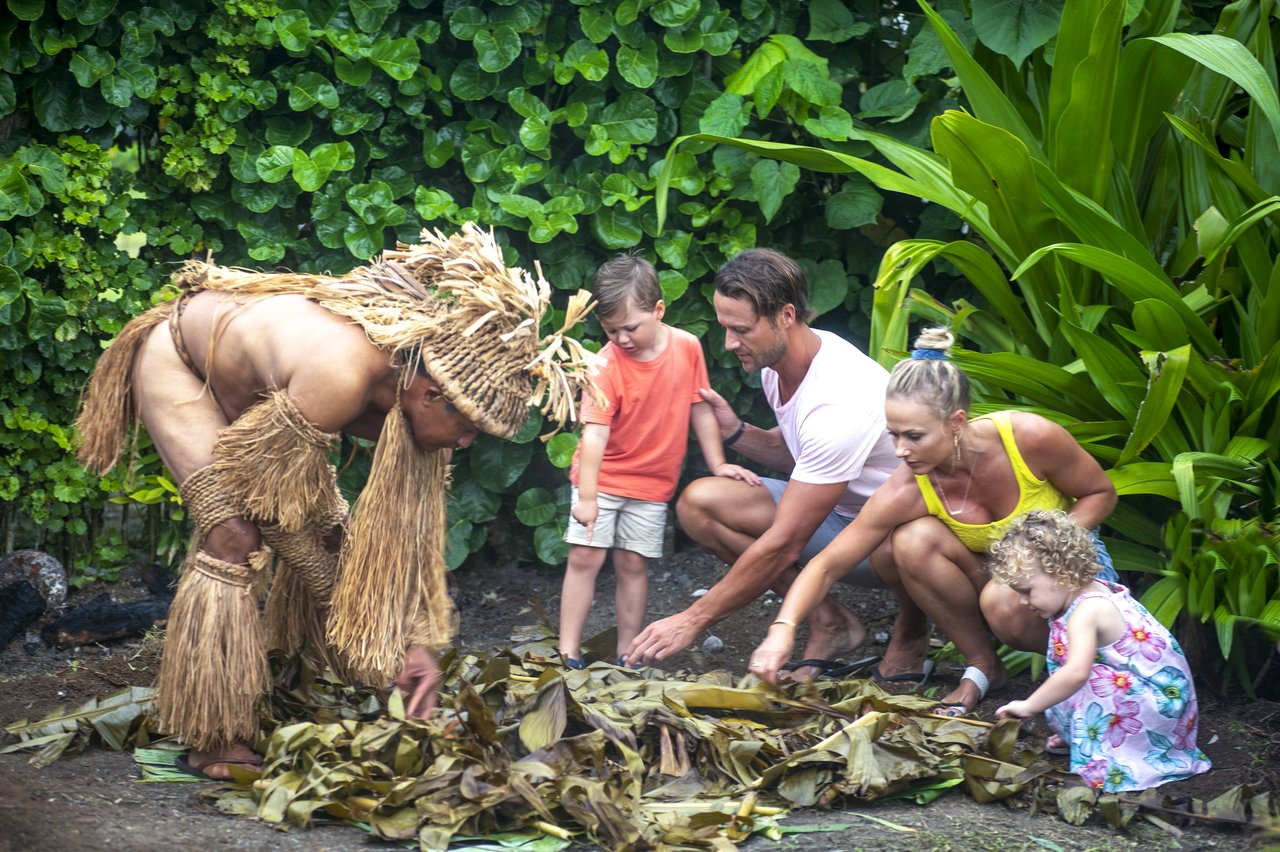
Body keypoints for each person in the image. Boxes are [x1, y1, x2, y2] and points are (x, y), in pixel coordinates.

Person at [74, 224, 594, 779]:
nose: (465, 445)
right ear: (433, 395)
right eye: (466, 429)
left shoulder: (422, 388)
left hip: (265, 402)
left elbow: (408, 535)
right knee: (235, 534)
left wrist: (413, 641)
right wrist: (357, 619)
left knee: (332, 528)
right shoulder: (342, 374)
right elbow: (264, 497)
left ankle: (308, 667)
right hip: (182, 359)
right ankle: (211, 734)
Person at [749, 327, 1119, 716]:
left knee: (1004, 599)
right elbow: (827, 565)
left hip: (1072, 570)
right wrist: (782, 630)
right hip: (1002, 583)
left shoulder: (1028, 437)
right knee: (912, 540)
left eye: (914, 436)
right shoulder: (908, 487)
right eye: (893, 436)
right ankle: (984, 665)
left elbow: (1101, 493)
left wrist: (1046, 558)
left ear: (956, 422)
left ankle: (1085, 672)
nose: (900, 451)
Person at [625, 248, 900, 671]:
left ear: (785, 316)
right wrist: (735, 431)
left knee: (789, 538)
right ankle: (829, 620)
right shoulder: (782, 362)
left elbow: (785, 541)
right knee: (701, 503)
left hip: (886, 543)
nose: (729, 344)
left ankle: (913, 624)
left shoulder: (839, 399)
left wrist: (693, 618)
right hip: (839, 515)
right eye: (725, 328)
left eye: (741, 330)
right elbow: (801, 456)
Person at [559, 255, 758, 667]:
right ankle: (567, 651)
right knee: (585, 558)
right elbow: (594, 435)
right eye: (611, 330)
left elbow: (699, 407)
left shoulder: (686, 347)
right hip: (603, 479)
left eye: (631, 327)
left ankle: (629, 653)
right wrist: (588, 497)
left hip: (653, 483)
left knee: (633, 563)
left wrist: (718, 463)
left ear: (659, 310)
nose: (622, 339)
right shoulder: (604, 365)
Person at [992, 510, 1211, 791]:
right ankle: (1083, 738)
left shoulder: (1088, 610)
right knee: (1082, 679)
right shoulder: (1091, 593)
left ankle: (1115, 761)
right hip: (1162, 702)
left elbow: (1076, 673)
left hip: (1154, 705)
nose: (1022, 601)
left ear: (1062, 573)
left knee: (1086, 680)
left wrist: (1028, 706)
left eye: (1027, 591)